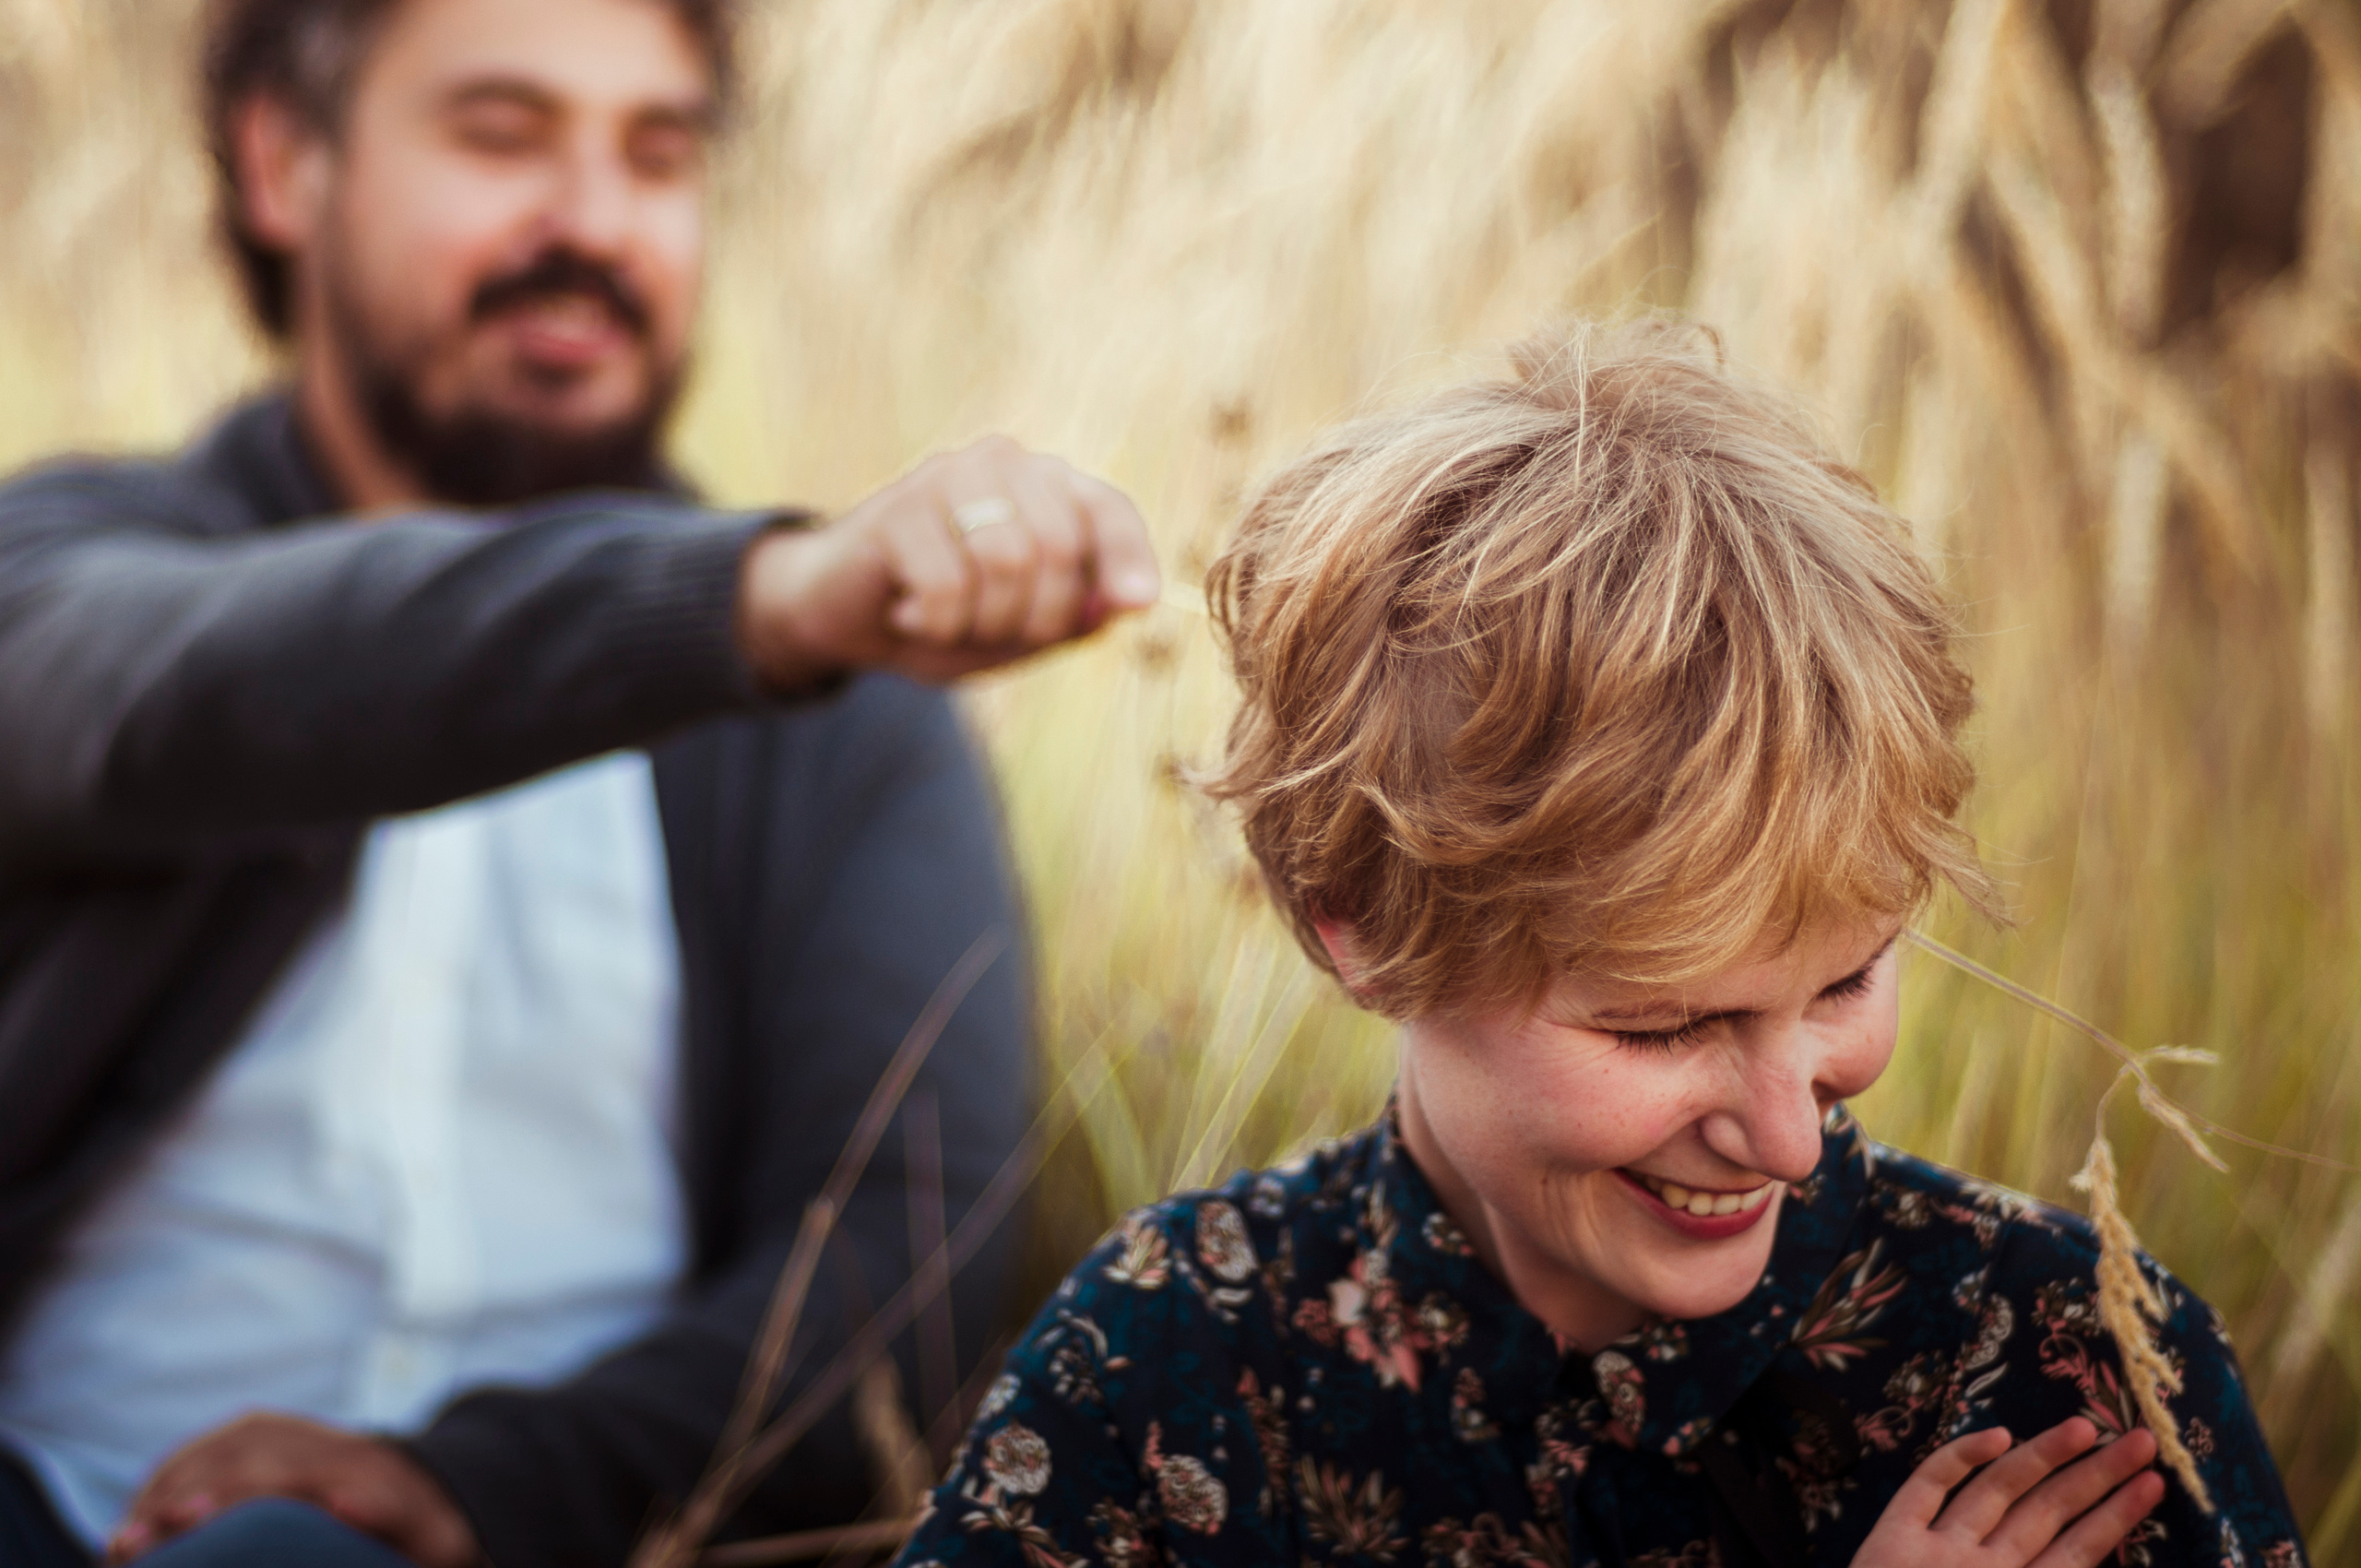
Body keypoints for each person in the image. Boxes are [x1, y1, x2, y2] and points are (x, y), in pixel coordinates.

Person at [0, 0, 1162, 1565]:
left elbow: (904, 1262)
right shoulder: (71, 568)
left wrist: (495, 1483)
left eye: (658, 153)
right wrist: (766, 606)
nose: (595, 222)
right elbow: (181, 688)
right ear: (285, 164)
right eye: (502, 134)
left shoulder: (846, 719)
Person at [893, 324, 2308, 1568]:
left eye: (1845, 980)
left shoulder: (2068, 1385)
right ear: (1364, 933)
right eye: (1661, 1026)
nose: (1789, 1138)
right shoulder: (1169, 1368)